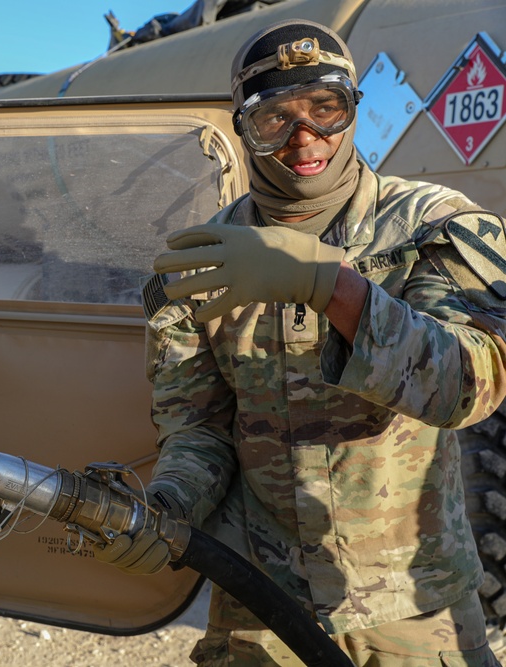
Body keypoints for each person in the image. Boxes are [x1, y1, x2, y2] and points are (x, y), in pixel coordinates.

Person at [93, 19, 506, 666]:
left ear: (354, 110)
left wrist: (330, 288)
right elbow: (197, 430)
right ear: (241, 129)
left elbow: (470, 385)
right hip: (262, 606)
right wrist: (165, 510)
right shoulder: (204, 262)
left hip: (417, 613)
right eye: (273, 119)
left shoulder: (433, 226)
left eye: (326, 108)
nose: (304, 137)